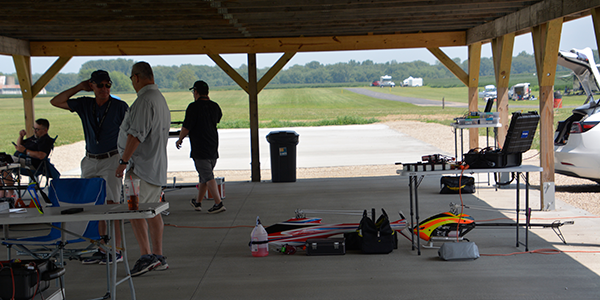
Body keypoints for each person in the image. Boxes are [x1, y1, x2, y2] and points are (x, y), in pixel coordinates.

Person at [50, 70, 129, 265]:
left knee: (112, 204)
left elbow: (130, 133)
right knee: (94, 205)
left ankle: (116, 250)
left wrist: (124, 160)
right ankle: (103, 247)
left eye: (108, 85)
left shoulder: (119, 106)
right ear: (91, 85)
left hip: (111, 158)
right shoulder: (85, 104)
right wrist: (78, 87)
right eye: (100, 85)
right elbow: (55, 101)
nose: (104, 89)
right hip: (90, 159)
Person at [116, 62, 170, 277]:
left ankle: (147, 256)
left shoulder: (144, 101)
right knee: (153, 210)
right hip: (154, 166)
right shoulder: (159, 99)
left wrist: (123, 161)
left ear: (137, 77)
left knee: (135, 210)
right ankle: (157, 255)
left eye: (131, 78)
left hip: (141, 167)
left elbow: (136, 134)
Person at [175, 80, 225, 214]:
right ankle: (198, 202)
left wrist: (180, 139)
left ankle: (218, 203)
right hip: (213, 145)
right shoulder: (215, 106)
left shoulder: (193, 107)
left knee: (208, 176)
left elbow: (186, 127)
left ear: (196, 92)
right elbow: (217, 119)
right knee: (204, 176)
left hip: (200, 147)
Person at [1, 119, 55, 198]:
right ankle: (3, 191)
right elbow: (19, 146)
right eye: (34, 128)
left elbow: (41, 155)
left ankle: (10, 193)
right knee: (2, 164)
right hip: (20, 160)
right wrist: (21, 136)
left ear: (45, 130)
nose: (34, 131)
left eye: (37, 129)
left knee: (4, 165)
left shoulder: (46, 141)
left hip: (30, 164)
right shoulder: (33, 138)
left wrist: (25, 151)